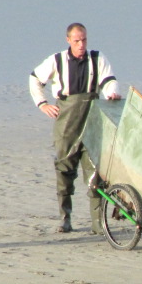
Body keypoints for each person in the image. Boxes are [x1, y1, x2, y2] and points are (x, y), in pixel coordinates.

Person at [29, 22, 121, 234]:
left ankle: (98, 222)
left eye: (84, 40)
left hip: (92, 120)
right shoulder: (57, 60)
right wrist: (42, 104)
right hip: (67, 121)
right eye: (77, 40)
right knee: (64, 169)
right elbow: (34, 79)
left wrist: (112, 94)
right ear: (68, 40)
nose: (81, 44)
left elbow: (109, 81)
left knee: (96, 172)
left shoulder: (97, 59)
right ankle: (65, 219)